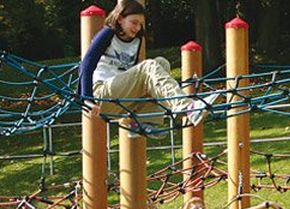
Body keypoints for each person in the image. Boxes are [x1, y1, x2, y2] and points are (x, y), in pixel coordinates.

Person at [79, 0, 218, 139]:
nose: (137, 28)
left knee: (161, 63)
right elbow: (86, 64)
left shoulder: (137, 40)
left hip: (121, 99)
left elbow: (134, 74)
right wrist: (87, 99)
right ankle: (187, 108)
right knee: (149, 66)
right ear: (120, 18)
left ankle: (141, 121)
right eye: (134, 22)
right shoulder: (107, 33)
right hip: (101, 94)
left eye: (140, 24)